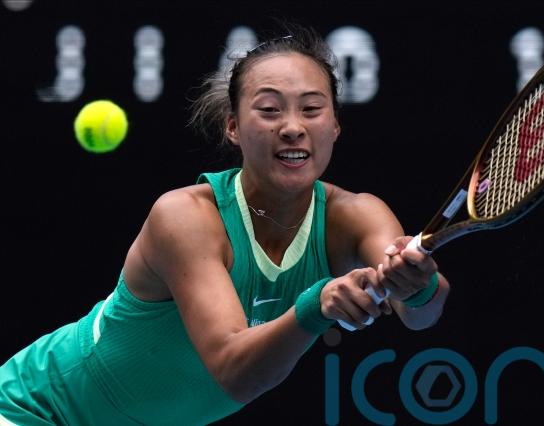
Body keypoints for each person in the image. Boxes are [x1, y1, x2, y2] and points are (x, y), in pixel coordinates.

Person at [0, 26, 450, 425]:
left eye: (312, 109)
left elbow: (421, 314)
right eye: (269, 110)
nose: (292, 127)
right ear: (233, 127)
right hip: (35, 409)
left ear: (334, 126)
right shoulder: (185, 217)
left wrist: (416, 284)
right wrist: (316, 306)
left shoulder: (356, 215)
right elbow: (234, 371)